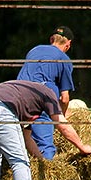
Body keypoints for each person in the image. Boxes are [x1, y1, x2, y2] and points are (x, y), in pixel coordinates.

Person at [16, 25, 76, 159]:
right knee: (45, 145)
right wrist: (61, 118)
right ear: (68, 44)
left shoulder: (34, 50)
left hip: (17, 97)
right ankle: (46, 174)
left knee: (19, 140)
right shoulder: (63, 59)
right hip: (39, 100)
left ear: (51, 39)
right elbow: (65, 98)